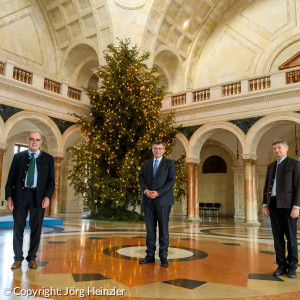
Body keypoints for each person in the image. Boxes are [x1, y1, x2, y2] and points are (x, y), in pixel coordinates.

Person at [5, 132, 55, 270]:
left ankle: (32, 258)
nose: (34, 142)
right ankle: (17, 259)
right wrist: (9, 197)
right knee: (18, 228)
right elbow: (10, 180)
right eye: (32, 139)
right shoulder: (18, 157)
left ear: (41, 142)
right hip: (20, 196)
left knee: (36, 229)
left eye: (37, 140)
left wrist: (47, 196)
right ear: (27, 140)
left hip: (38, 198)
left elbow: (51, 182)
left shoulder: (48, 159)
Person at [263, 139, 300, 278]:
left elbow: (299, 187)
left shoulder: (295, 164)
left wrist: (297, 207)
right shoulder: (271, 166)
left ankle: (292, 267)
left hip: (289, 206)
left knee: (291, 238)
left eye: (279, 147)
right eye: (274, 148)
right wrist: (265, 204)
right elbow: (266, 186)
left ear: (286, 148)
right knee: (277, 238)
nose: (276, 150)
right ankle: (281, 265)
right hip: (273, 205)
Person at [138, 141, 176, 267]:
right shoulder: (146, 164)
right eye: (155, 148)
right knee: (150, 230)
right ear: (152, 149)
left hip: (163, 201)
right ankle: (149, 255)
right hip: (148, 200)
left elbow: (171, 181)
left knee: (164, 229)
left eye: (160, 149)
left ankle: (163, 257)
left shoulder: (169, 163)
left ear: (164, 150)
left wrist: (158, 192)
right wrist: (145, 190)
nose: (157, 151)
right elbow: (141, 178)